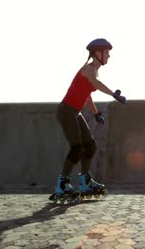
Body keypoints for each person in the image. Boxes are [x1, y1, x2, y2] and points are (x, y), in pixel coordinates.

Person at [51, 38, 126, 202]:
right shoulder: (88, 69)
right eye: (107, 52)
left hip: (75, 112)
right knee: (77, 148)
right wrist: (114, 94)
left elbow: (87, 95)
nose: (109, 56)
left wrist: (96, 114)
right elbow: (96, 83)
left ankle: (85, 181)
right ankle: (62, 183)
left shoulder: (94, 71)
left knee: (90, 145)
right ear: (97, 53)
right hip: (66, 111)